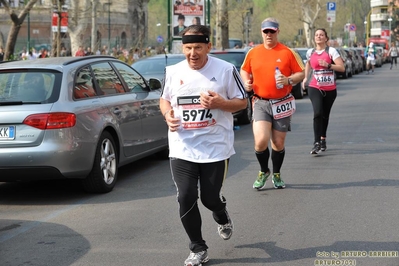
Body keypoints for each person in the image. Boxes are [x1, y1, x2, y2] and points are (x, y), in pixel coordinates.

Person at [160, 25, 247, 266]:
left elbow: (242, 103)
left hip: (215, 147)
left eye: (198, 47)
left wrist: (220, 103)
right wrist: (167, 115)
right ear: (182, 47)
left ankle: (221, 213)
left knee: (209, 199)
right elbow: (165, 99)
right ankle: (198, 248)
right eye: (188, 48)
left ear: (209, 46)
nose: (193, 53)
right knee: (185, 196)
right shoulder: (173, 71)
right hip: (182, 147)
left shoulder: (226, 70)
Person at [240, 17, 305, 190]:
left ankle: (276, 173)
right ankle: (263, 171)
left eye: (272, 31)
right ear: (261, 32)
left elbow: (301, 73)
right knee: (260, 141)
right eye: (265, 31)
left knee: (278, 143)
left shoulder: (288, 52)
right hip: (261, 102)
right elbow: (244, 70)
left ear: (278, 32)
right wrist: (246, 82)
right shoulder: (253, 52)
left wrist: (288, 80)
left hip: (282, 102)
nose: (269, 34)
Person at [302, 28, 345, 155]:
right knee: (317, 112)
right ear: (314, 38)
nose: (318, 37)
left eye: (321, 35)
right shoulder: (310, 52)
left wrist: (328, 65)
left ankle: (323, 139)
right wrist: (305, 77)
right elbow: (308, 64)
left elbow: (341, 68)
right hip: (315, 86)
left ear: (326, 38)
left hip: (330, 89)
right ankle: (316, 143)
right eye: (316, 35)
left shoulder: (331, 51)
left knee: (325, 115)